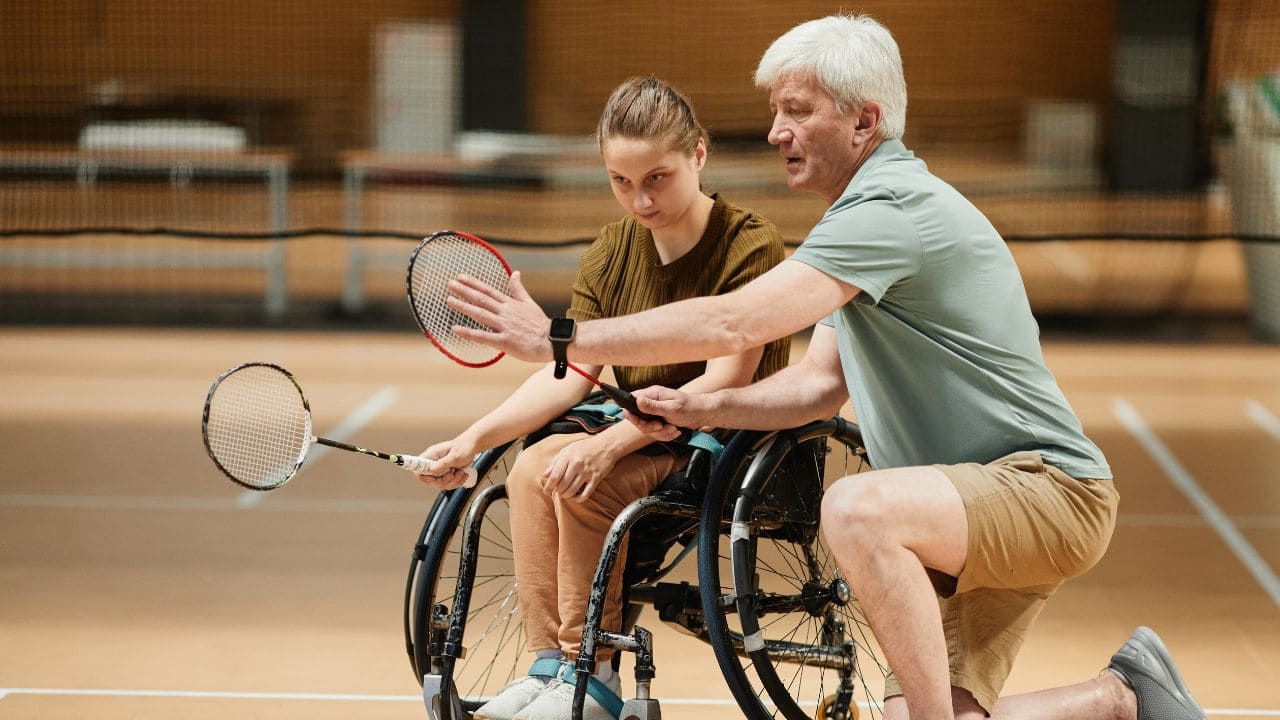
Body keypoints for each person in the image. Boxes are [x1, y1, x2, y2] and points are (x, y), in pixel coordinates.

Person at [444, 15, 1207, 720]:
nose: (777, 131)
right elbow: (814, 387)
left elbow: (733, 318)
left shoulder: (891, 211)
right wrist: (696, 408)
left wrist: (560, 336)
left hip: (1044, 489)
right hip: (955, 511)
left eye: (798, 110)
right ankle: (1123, 695)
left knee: (854, 508)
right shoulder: (861, 221)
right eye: (777, 111)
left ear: (865, 120)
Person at [416, 76, 789, 720]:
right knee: (535, 465)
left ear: (698, 154)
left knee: (588, 478)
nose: (639, 200)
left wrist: (617, 439)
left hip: (718, 438)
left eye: (657, 178)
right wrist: (477, 438)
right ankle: (551, 667)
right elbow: (572, 370)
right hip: (640, 430)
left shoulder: (749, 243)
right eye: (621, 181)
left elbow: (725, 378)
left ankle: (596, 678)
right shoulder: (612, 251)